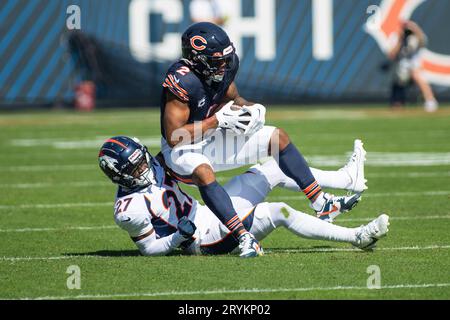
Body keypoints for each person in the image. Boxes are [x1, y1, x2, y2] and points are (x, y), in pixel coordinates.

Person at [160, 22, 366, 257]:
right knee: (204, 171)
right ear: (197, 60)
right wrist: (217, 120)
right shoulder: (181, 80)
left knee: (277, 137)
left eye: (227, 59)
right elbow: (175, 136)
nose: (225, 66)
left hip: (212, 137)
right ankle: (242, 236)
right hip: (182, 151)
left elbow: (235, 98)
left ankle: (321, 203)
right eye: (217, 61)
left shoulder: (224, 68)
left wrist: (252, 108)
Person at [98, 136, 389, 257]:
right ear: (118, 173)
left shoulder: (155, 163)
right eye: (135, 166)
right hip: (203, 237)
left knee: (274, 167)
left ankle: (344, 181)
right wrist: (177, 239)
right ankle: (357, 237)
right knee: (278, 212)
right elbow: (148, 248)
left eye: (143, 160)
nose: (145, 166)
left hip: (208, 211)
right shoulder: (128, 208)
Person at [387, 20, 438, 112]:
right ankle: (397, 102)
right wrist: (400, 39)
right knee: (398, 79)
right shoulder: (395, 37)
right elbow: (391, 54)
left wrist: (415, 29)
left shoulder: (416, 37)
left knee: (417, 75)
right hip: (400, 66)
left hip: (414, 64)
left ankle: (430, 101)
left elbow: (423, 42)